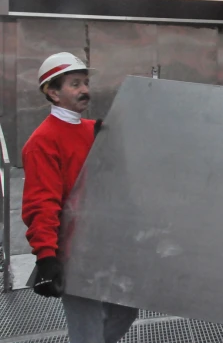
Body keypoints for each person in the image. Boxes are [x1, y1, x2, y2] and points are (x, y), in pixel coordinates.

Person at [21, 52, 138, 343]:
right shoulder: (42, 141)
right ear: (52, 92)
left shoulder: (93, 130)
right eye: (75, 84)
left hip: (107, 244)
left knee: (126, 311)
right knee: (86, 329)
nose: (85, 90)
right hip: (73, 252)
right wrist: (46, 257)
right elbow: (42, 203)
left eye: (85, 83)